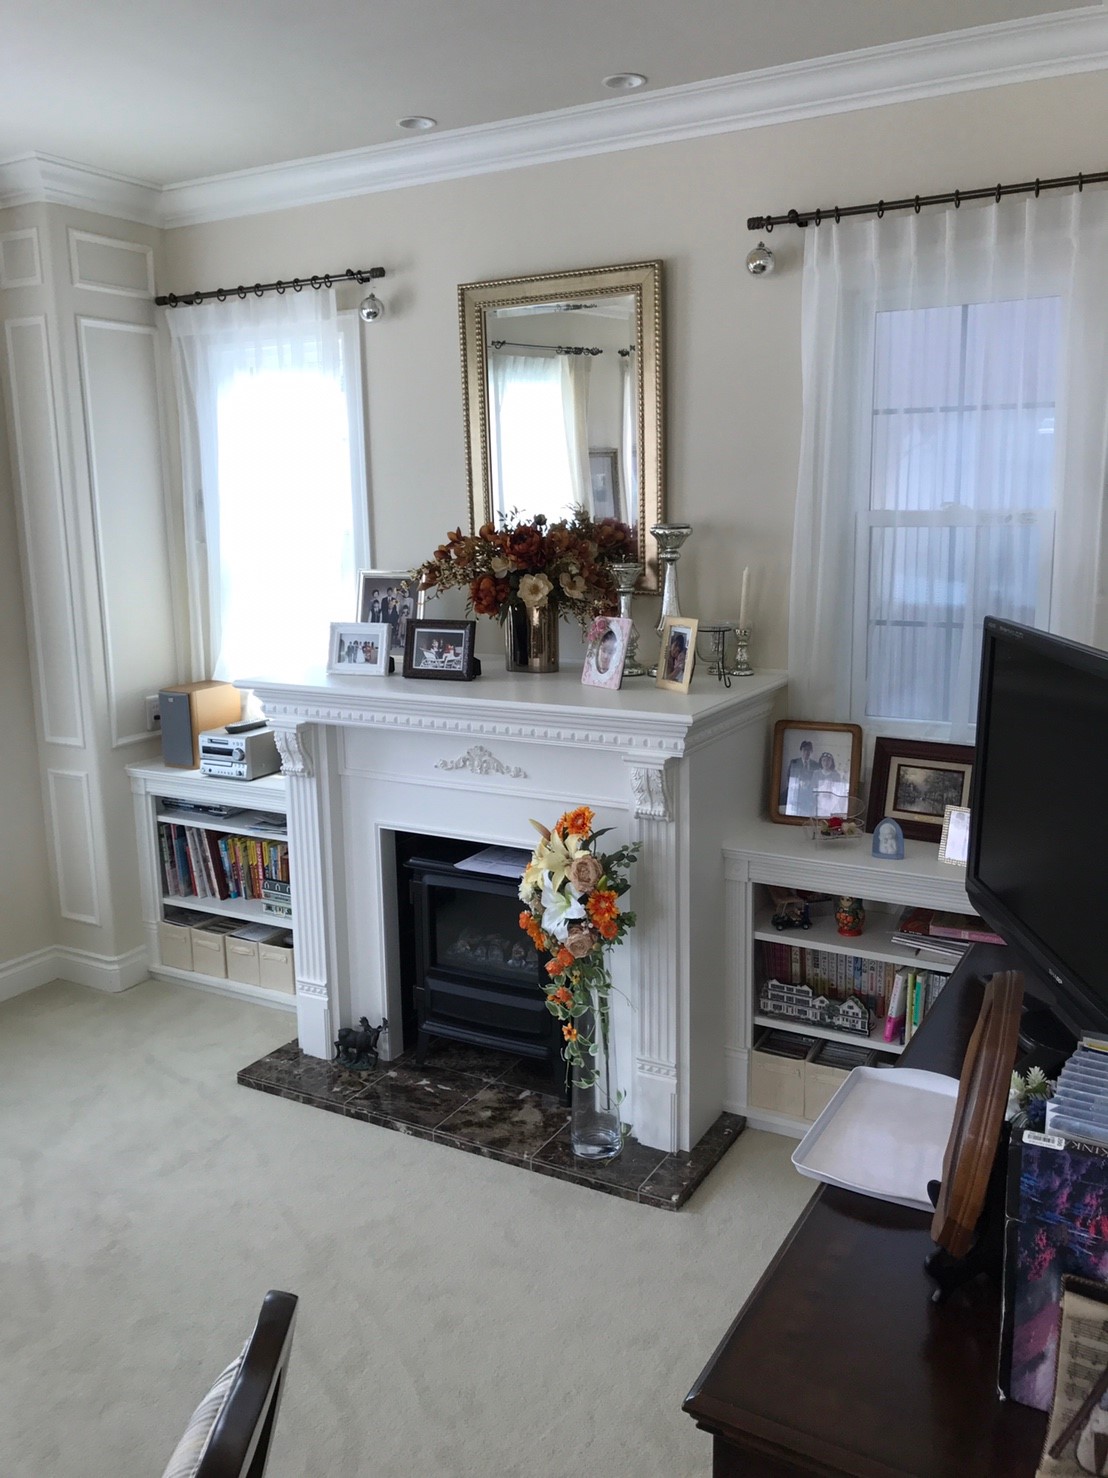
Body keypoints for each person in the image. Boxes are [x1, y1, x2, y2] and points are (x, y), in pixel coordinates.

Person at [784, 738, 819, 814]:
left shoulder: (816, 765)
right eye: (804, 750)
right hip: (797, 791)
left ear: (811, 751)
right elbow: (789, 777)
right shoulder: (794, 762)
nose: (806, 752)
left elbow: (817, 780)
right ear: (801, 750)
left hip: (810, 793)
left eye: (809, 750)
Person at [812, 750, 847, 818]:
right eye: (824, 760)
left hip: (831, 802)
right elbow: (813, 787)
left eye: (828, 760)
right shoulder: (816, 773)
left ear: (831, 762)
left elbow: (838, 790)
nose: (826, 763)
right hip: (819, 802)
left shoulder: (836, 775)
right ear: (821, 762)